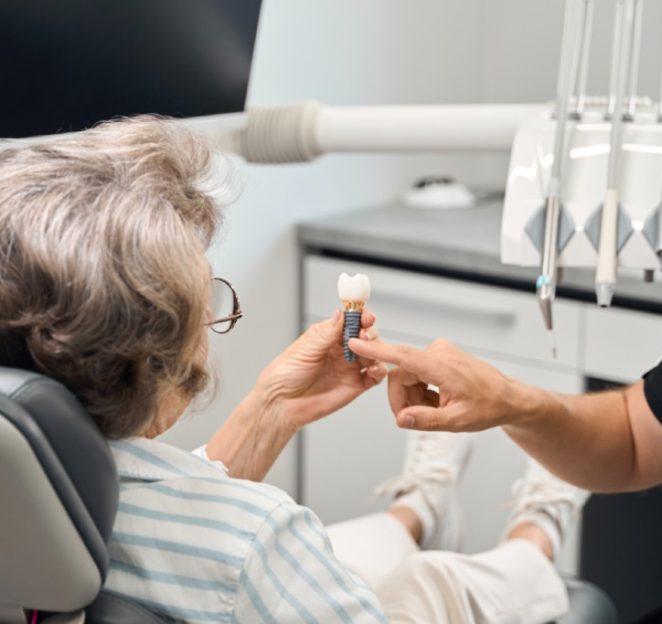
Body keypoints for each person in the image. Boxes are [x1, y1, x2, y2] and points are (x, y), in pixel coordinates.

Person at [0, 116, 586, 624]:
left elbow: (159, 510)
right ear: (153, 364)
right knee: (429, 583)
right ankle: (536, 537)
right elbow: (231, 548)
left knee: (369, 542)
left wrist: (273, 406)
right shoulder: (256, 541)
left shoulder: (49, 502)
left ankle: (418, 510)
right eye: (208, 307)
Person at [349, 69, 662, 624]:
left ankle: (485, 526)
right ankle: (502, 529)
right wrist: (509, 401)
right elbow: (633, 439)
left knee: (426, 585)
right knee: (423, 583)